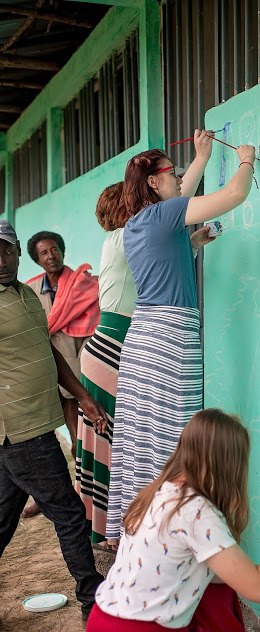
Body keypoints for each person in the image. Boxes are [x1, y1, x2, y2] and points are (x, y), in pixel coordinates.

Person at [105, 130, 256, 548]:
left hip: (147, 337)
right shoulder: (162, 215)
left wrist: (192, 242)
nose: (179, 178)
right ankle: (172, 534)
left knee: (147, 434)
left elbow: (165, 258)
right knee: (176, 433)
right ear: (155, 183)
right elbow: (233, 197)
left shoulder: (139, 223)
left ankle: (144, 529)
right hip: (170, 337)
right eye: (172, 174)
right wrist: (245, 161)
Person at [87, 409, 260, 631]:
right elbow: (259, 589)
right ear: (229, 466)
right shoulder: (197, 511)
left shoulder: (161, 492)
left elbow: (196, 570)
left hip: (103, 619)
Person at [0, 218, 109, 623]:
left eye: (6, 250)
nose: (0, 259)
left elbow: (50, 354)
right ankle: (92, 605)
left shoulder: (27, 296)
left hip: (25, 429)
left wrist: (84, 397)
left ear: (14, 252)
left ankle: (91, 603)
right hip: (22, 429)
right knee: (68, 514)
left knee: (3, 520)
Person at [74, 183, 136, 547]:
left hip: (108, 347)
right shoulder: (122, 237)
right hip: (113, 347)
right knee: (112, 439)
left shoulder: (121, 242)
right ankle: (109, 531)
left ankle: (107, 526)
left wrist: (192, 244)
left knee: (108, 439)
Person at [25, 230, 99, 456]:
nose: (51, 256)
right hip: (43, 367)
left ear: (62, 251)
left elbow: (95, 324)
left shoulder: (83, 285)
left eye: (54, 249)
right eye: (44, 253)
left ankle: (83, 479)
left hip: (75, 368)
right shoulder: (30, 291)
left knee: (81, 440)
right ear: (37, 260)